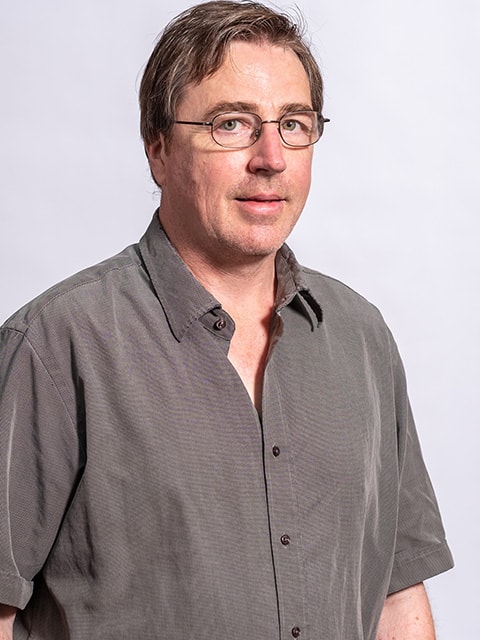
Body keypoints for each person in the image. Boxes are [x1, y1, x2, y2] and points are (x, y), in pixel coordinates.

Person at [0, 1, 453, 638]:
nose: (271, 157)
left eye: (292, 124)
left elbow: (396, 602)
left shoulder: (362, 338)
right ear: (158, 149)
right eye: (231, 124)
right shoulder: (55, 346)